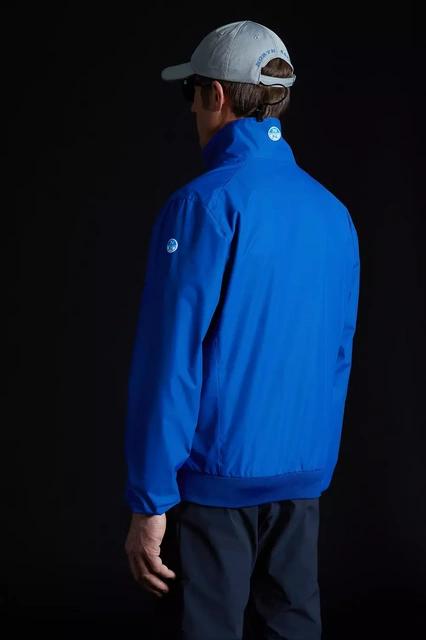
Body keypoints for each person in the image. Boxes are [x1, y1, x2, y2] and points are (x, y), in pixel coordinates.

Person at [124, 19, 360, 640]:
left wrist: (150, 502)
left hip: (215, 482)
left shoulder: (203, 204)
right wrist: (312, 465)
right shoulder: (333, 213)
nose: (191, 110)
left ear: (217, 95)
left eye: (192, 93)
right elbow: (338, 355)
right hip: (301, 479)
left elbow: (170, 362)